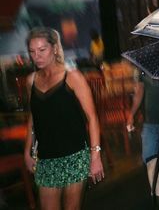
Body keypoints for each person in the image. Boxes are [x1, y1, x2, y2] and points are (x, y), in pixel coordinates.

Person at [23, 27, 104, 210]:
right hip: (46, 159)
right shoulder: (31, 81)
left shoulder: (72, 76)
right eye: (32, 52)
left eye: (42, 50)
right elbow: (33, 118)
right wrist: (27, 151)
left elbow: (92, 118)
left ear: (55, 49)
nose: (37, 56)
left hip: (74, 155)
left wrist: (95, 156)